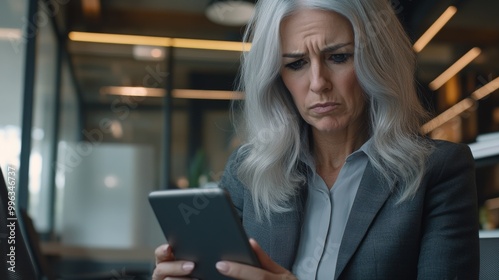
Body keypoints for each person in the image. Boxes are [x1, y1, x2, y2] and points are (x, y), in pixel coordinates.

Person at [153, 0, 480, 279]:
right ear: (277, 77)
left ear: (377, 61)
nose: (318, 83)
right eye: (295, 64)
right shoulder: (248, 169)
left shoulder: (438, 170)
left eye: (338, 57)